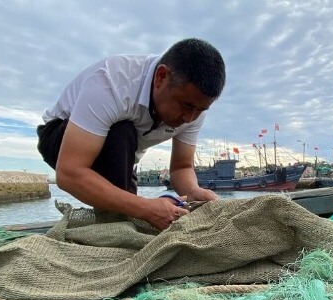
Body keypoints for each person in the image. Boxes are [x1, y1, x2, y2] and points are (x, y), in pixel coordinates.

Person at [37, 38, 225, 230]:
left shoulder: (194, 107)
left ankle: (120, 223)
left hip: (125, 154)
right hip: (60, 136)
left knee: (129, 199)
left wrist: (193, 191)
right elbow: (69, 173)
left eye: (201, 110)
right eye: (186, 106)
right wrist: (144, 208)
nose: (189, 118)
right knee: (122, 131)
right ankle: (113, 227)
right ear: (161, 77)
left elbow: (181, 168)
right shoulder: (111, 83)